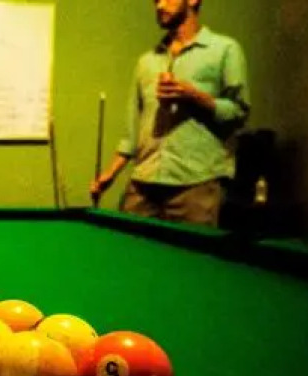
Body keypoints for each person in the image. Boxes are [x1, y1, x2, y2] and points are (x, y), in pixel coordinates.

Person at [90, 0, 250, 227]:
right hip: (143, 184)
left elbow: (239, 112)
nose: (160, 6)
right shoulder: (146, 62)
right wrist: (109, 174)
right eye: (156, 1)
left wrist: (193, 96)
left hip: (195, 185)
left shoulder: (224, 50)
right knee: (127, 247)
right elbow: (132, 134)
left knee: (191, 251)